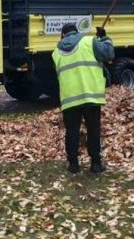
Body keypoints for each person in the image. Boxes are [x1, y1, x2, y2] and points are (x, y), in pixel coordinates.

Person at [52, 23, 114, 174]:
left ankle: (73, 164)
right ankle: (96, 164)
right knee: (93, 130)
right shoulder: (89, 42)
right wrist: (104, 38)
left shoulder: (56, 53)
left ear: (62, 35)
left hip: (69, 100)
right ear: (76, 32)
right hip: (90, 96)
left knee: (71, 131)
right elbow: (109, 54)